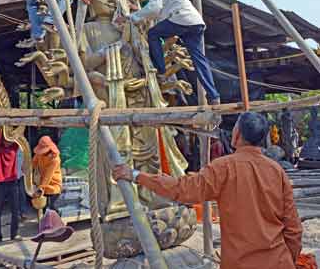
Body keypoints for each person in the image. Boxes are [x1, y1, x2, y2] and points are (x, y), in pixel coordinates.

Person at [113, 112, 302, 269]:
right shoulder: (277, 171)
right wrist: (289, 260)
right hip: (278, 261)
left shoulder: (223, 168)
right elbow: (293, 228)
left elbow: (181, 189)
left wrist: (137, 175)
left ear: (237, 135)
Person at [121, 0, 220, 104]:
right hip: (195, 23)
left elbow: (154, 9)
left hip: (181, 20)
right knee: (199, 60)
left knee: (153, 34)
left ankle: (161, 71)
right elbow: (156, 12)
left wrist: (131, 17)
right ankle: (214, 96)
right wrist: (139, 11)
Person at [0, 129, 20, 243]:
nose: (8, 141)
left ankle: (14, 234)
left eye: (10, 139)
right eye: (6, 139)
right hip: (0, 183)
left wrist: (13, 132)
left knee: (15, 209)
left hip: (12, 182)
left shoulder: (14, 148)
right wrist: (3, 126)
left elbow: (19, 137)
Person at [32, 136, 62, 212]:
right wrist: (27, 168)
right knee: (44, 208)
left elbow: (48, 176)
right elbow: (33, 163)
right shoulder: (39, 154)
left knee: (52, 207)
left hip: (53, 186)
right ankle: (47, 223)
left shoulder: (55, 159)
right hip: (43, 185)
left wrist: (40, 188)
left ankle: (57, 222)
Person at [16, 148, 28, 220]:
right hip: (11, 175)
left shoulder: (22, 147)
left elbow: (26, 160)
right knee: (14, 195)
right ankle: (16, 213)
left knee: (22, 194)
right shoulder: (10, 147)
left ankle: (23, 212)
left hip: (21, 175)